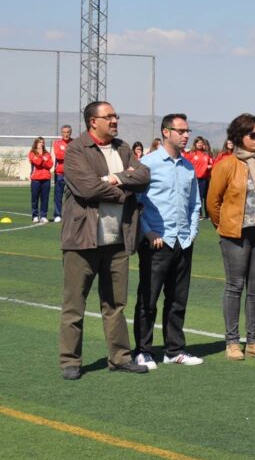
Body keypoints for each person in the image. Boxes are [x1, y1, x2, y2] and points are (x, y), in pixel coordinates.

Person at [59, 101, 151, 380]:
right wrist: (125, 189)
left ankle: (120, 358)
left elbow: (144, 177)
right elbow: (86, 188)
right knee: (75, 305)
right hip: (82, 240)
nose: (114, 120)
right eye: (108, 116)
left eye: (115, 116)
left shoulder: (123, 148)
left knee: (116, 304)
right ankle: (69, 362)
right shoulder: (77, 149)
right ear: (92, 122)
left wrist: (113, 178)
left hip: (118, 240)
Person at [133, 113, 203, 369]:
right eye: (181, 130)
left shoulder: (188, 167)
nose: (186, 135)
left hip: (183, 242)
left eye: (187, 130)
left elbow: (195, 204)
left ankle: (174, 349)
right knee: (148, 299)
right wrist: (148, 233)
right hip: (156, 243)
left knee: (177, 299)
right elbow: (135, 204)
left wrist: (192, 232)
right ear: (166, 132)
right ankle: (143, 350)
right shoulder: (147, 164)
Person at [207, 113, 255, 361]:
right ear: (239, 136)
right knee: (235, 286)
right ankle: (232, 342)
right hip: (234, 234)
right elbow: (213, 202)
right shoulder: (225, 165)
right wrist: (225, 225)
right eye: (253, 134)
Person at [184, 136, 213, 219]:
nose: (200, 144)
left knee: (202, 197)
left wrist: (209, 167)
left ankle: (202, 214)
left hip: (203, 179)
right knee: (195, 197)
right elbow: (185, 163)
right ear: (195, 143)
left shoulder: (205, 155)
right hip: (194, 178)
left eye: (201, 143)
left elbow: (210, 164)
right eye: (198, 142)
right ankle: (197, 213)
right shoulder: (191, 153)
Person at [28, 137, 54, 224]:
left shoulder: (47, 154)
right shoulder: (32, 153)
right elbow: (38, 163)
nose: (41, 144)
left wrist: (43, 159)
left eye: (42, 142)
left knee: (45, 199)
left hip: (46, 179)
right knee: (35, 199)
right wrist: (41, 156)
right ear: (36, 143)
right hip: (36, 179)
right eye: (39, 142)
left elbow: (50, 164)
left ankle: (43, 216)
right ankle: (35, 216)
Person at [52, 124, 73, 223]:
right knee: (58, 195)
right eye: (64, 132)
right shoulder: (57, 143)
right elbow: (59, 156)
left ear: (70, 133)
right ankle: (57, 214)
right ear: (61, 133)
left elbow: (77, 156)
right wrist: (70, 154)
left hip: (72, 173)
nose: (66, 134)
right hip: (60, 173)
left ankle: (71, 215)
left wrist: (65, 153)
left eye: (68, 132)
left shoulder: (74, 143)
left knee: (72, 195)